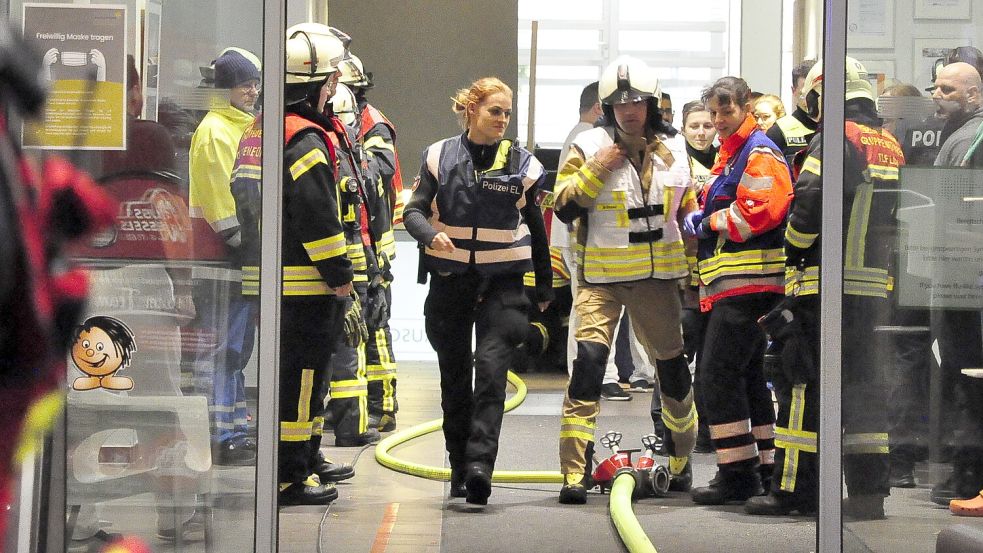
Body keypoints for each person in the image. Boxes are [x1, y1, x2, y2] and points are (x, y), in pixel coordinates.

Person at [745, 58, 904, 518]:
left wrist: (792, 249)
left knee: (801, 385)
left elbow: (810, 200)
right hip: (872, 291)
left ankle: (793, 490)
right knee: (863, 389)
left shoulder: (835, 136)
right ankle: (870, 493)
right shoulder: (888, 143)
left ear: (821, 96)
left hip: (823, 286)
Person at [552, 56, 697, 504]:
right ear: (607, 107)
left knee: (672, 375)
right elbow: (563, 205)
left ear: (650, 104)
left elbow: (688, 209)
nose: (628, 109)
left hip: (657, 281)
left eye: (635, 101)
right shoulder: (589, 145)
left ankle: (679, 462)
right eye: (618, 103)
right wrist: (600, 165)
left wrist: (696, 268)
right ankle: (574, 474)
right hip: (601, 280)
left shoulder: (675, 151)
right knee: (589, 369)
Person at [403, 77, 552, 506]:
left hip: (504, 282)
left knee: (490, 370)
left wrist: (544, 286)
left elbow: (537, 232)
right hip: (451, 282)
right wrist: (431, 236)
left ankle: (481, 466)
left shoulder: (525, 166)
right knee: (454, 376)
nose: (502, 119)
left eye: (507, 112)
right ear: (470, 110)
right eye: (494, 111)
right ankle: (457, 467)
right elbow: (414, 211)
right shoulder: (437, 156)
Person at [684, 76, 791, 505]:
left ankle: (735, 473)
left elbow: (757, 214)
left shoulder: (759, 151)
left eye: (725, 112)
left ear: (746, 105)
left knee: (716, 375)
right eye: (712, 113)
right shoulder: (732, 155)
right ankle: (762, 466)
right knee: (746, 377)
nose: (717, 121)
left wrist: (707, 221)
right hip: (736, 287)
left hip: (750, 286)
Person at [263, 23, 355, 505]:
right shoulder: (305, 140)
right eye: (332, 82)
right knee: (301, 384)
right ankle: (290, 476)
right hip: (305, 288)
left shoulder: (266, 130)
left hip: (278, 283)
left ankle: (307, 460)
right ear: (318, 85)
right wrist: (341, 278)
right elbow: (319, 219)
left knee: (303, 381)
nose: (334, 91)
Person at [187, 47, 261, 466]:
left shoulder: (244, 127)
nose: (252, 90)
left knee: (234, 348)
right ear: (225, 90)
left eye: (253, 83)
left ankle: (232, 427)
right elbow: (224, 211)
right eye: (243, 84)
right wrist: (253, 249)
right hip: (222, 260)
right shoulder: (217, 131)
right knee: (221, 349)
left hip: (237, 258)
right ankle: (221, 434)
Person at [338, 53, 405, 434]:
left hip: (374, 244)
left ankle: (384, 405)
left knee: (375, 325)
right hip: (362, 240)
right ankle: (362, 404)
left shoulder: (372, 126)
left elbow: (376, 180)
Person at [928, 61, 983, 516]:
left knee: (966, 376)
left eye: (949, 88)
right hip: (962, 275)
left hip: (964, 279)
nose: (938, 94)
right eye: (936, 86)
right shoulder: (961, 137)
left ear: (975, 95)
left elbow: (950, 212)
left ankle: (967, 475)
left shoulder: (969, 140)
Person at [678, 100, 718, 454]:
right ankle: (668, 428)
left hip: (713, 274)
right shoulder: (675, 162)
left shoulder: (726, 159)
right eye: (695, 126)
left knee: (709, 357)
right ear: (683, 128)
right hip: (680, 276)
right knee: (676, 355)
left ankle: (706, 428)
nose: (702, 132)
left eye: (707, 125)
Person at [767, 59, 818, 167]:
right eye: (804, 93)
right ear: (793, 91)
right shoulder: (779, 131)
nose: (811, 98)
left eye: (816, 91)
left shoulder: (838, 128)